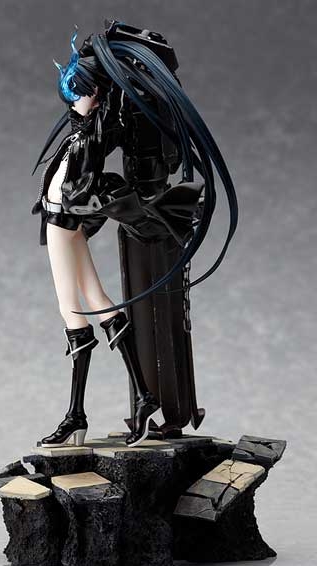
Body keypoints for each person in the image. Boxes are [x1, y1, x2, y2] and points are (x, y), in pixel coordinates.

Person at [31, 21, 238, 447]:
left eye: (82, 93)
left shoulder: (90, 137)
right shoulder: (82, 132)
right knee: (98, 305)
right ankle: (137, 400)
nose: (76, 101)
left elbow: (80, 188)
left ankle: (80, 414)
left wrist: (75, 201)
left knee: (74, 314)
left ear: (95, 95)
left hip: (62, 226)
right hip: (63, 224)